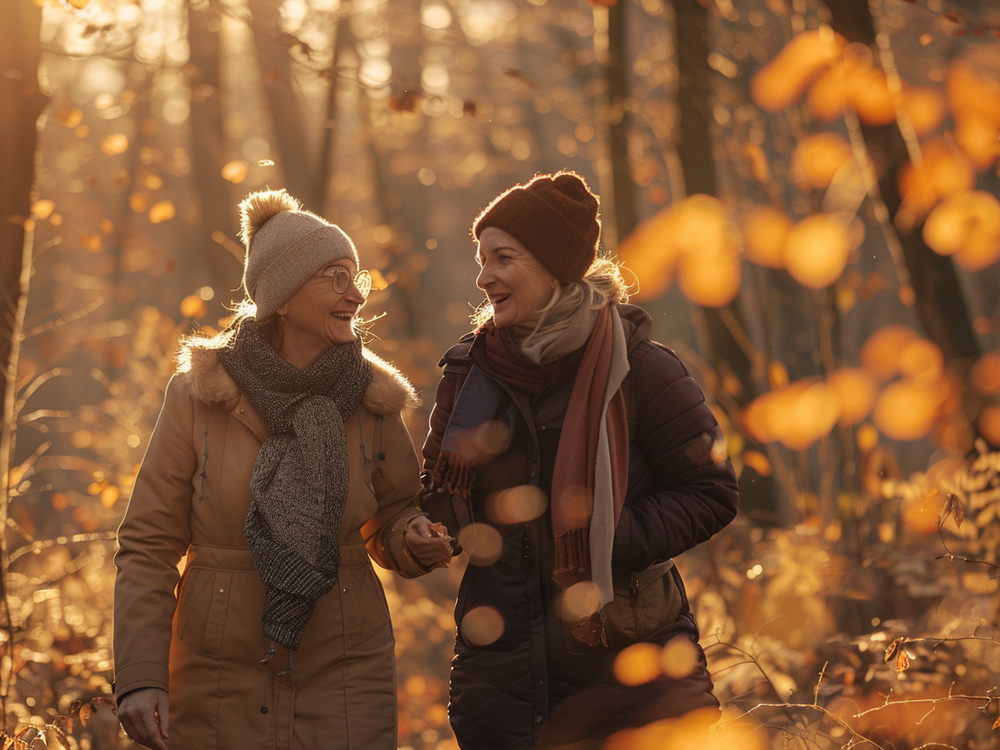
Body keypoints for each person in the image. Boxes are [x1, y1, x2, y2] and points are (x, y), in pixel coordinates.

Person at [113, 189, 453, 750]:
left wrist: (412, 538)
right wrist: (141, 675)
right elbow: (149, 543)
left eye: (357, 278)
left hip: (345, 666)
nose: (356, 296)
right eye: (336, 278)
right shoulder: (200, 394)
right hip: (218, 669)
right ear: (284, 297)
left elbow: (393, 512)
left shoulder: (372, 398)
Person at [420, 172, 739, 749]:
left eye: (502, 257)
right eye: (481, 257)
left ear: (555, 265)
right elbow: (440, 494)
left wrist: (603, 539)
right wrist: (429, 527)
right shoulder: (470, 373)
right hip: (504, 673)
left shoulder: (642, 368)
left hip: (630, 672)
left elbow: (711, 490)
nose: (483, 275)